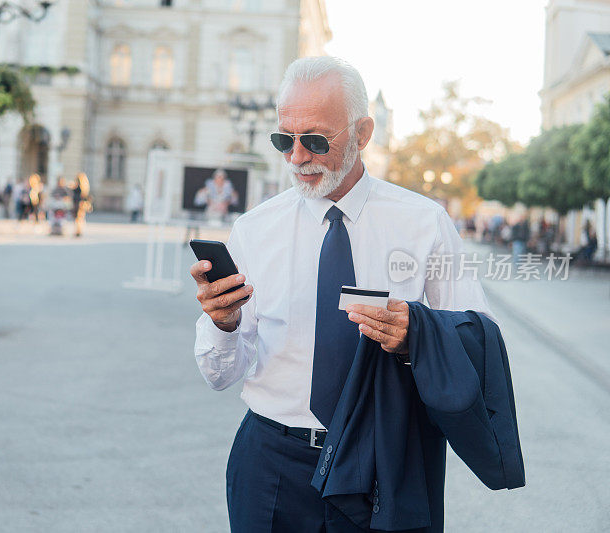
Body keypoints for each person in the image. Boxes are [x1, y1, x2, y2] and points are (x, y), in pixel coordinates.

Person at [190, 57, 516, 532]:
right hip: (271, 463)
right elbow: (219, 375)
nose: (297, 157)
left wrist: (416, 336)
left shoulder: (425, 224)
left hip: (385, 460)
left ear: (362, 133)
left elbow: (479, 339)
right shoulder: (253, 230)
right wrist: (224, 325)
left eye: (316, 140)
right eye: (284, 140)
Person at [71, 172, 92, 237]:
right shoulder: (85, 187)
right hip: (81, 204)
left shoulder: (78, 187)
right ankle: (79, 230)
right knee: (80, 218)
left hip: (78, 204)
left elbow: (74, 193)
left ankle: (78, 230)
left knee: (78, 219)